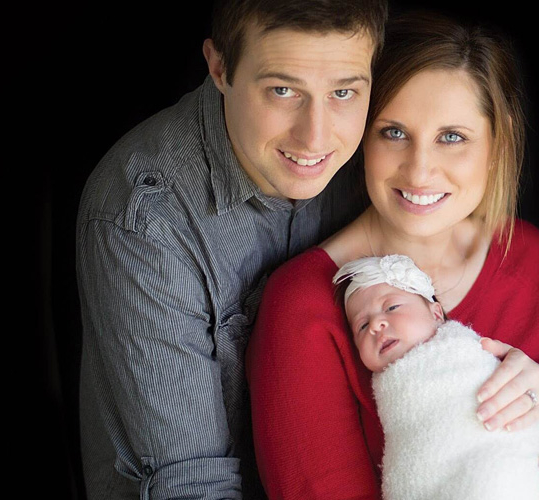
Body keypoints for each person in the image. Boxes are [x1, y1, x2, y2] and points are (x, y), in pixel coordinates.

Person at [245, 11, 539, 499]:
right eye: (394, 132)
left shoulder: (524, 255)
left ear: (497, 140)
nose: (419, 171)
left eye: (452, 137)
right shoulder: (305, 301)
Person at [75, 1, 388, 498]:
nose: (316, 136)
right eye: (283, 90)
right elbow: (195, 487)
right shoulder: (144, 217)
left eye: (344, 92)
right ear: (220, 68)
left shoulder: (377, 159)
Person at [335, 254, 539, 500]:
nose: (376, 326)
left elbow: (530, 382)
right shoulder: (387, 392)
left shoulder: (473, 350)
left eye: (391, 307)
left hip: (523, 466)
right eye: (362, 325)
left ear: (436, 313)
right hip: (445, 478)